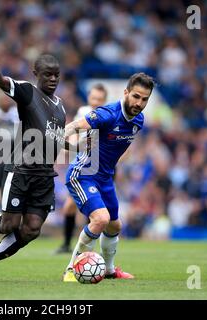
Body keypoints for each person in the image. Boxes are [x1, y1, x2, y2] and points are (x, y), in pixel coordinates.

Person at [0, 30, 66, 283]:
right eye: (47, 74)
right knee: (10, 225)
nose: (53, 79)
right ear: (36, 74)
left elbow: (54, 140)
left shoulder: (61, 106)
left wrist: (79, 146)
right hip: (21, 171)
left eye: (56, 75)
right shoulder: (26, 92)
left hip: (44, 176)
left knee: (32, 229)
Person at [62, 72, 155, 282]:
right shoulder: (108, 113)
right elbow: (74, 126)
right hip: (83, 174)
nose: (139, 103)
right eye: (136, 96)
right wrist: (62, 138)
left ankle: (109, 271)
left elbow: (116, 147)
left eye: (144, 99)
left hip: (105, 178)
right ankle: (70, 270)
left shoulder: (138, 120)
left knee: (115, 225)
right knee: (101, 219)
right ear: (126, 93)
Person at [55, 83, 108, 254]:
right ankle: (68, 244)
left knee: (100, 211)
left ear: (104, 100)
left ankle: (91, 248)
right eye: (93, 98)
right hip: (85, 165)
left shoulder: (109, 115)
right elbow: (77, 135)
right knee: (71, 206)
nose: (95, 102)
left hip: (103, 167)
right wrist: (69, 146)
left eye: (99, 99)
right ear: (89, 97)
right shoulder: (83, 112)